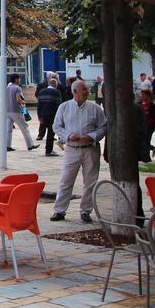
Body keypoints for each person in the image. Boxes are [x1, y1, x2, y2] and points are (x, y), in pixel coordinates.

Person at [50, 80, 107, 224]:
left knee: (90, 182)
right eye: (84, 90)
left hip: (90, 148)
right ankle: (59, 210)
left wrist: (92, 136)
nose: (87, 92)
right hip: (72, 148)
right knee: (66, 180)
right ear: (74, 92)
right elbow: (56, 126)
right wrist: (69, 135)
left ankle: (86, 211)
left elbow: (104, 127)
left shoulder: (95, 108)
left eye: (87, 90)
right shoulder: (64, 107)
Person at [4, 74, 37, 152]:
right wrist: (23, 102)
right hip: (16, 111)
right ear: (16, 79)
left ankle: (7, 145)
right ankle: (30, 145)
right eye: (19, 79)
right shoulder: (17, 88)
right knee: (24, 128)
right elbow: (18, 100)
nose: (20, 80)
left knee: (8, 129)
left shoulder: (7, 88)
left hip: (7, 111)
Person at [36, 76, 63, 157]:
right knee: (51, 133)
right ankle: (49, 150)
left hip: (43, 115)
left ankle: (48, 149)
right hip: (52, 115)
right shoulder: (56, 92)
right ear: (55, 84)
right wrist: (60, 116)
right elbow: (58, 105)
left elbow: (39, 105)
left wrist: (39, 116)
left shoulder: (41, 92)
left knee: (47, 131)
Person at [138, 87, 155, 161]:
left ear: (148, 96)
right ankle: (152, 148)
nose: (142, 96)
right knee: (141, 141)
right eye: (141, 94)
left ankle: (146, 158)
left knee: (146, 141)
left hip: (149, 126)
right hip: (140, 126)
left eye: (144, 95)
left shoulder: (152, 106)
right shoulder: (139, 104)